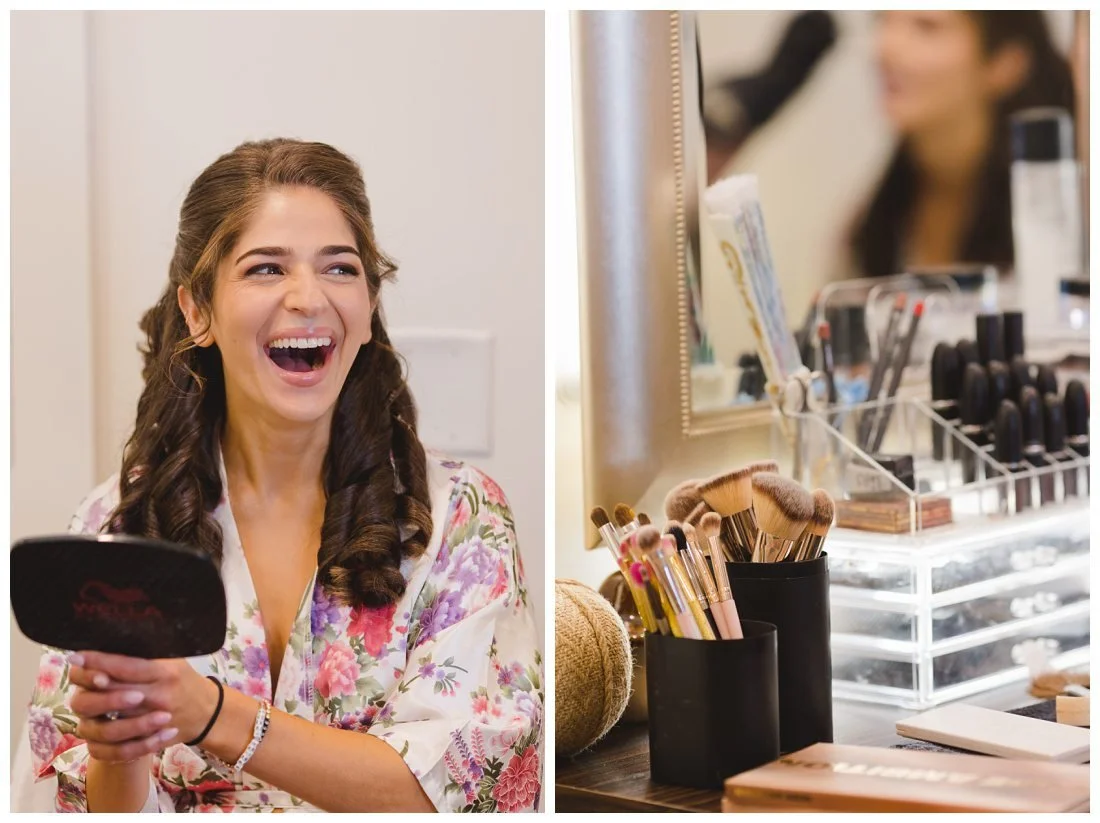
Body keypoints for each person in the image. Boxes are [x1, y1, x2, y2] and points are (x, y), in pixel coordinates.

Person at [26, 139, 543, 813]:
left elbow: (454, 788)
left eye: (340, 268)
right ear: (198, 310)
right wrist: (118, 745)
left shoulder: (460, 523)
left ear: (367, 306)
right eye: (266, 268)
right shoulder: (117, 528)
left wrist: (208, 712)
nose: (309, 297)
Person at [849, 11, 1076, 278]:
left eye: (927, 27)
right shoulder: (872, 222)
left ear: (1006, 62)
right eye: (882, 21)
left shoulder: (1064, 208)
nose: (885, 47)